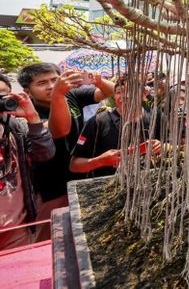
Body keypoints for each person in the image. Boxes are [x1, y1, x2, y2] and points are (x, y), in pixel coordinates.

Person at [17, 62, 115, 236]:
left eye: (54, 80)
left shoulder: (72, 95)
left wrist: (97, 80)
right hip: (50, 185)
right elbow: (61, 130)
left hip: (81, 174)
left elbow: (110, 92)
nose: (50, 86)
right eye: (42, 83)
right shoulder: (27, 112)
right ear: (27, 91)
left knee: (83, 230)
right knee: (52, 235)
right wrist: (58, 93)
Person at [70, 76, 162, 177]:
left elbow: (176, 145)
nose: (125, 96)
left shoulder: (155, 115)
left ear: (143, 94)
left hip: (148, 184)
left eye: (131, 91)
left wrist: (162, 146)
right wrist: (101, 161)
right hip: (108, 187)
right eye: (119, 92)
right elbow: (74, 165)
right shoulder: (98, 122)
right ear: (114, 96)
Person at [0, 91, 55, 250]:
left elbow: (45, 154)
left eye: (3, 96)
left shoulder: (15, 126)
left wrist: (32, 118)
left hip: (16, 228)